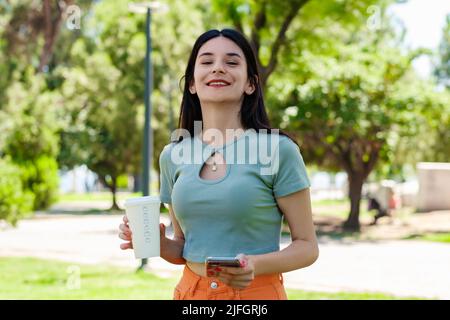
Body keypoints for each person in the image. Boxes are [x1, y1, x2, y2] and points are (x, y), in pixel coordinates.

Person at [118, 28, 319, 300]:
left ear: (250, 84)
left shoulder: (278, 150)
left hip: (255, 295)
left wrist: (252, 266)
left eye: (232, 62)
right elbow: (185, 248)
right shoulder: (172, 155)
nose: (218, 69)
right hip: (191, 294)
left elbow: (307, 247)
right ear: (192, 83)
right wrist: (157, 242)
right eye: (207, 61)